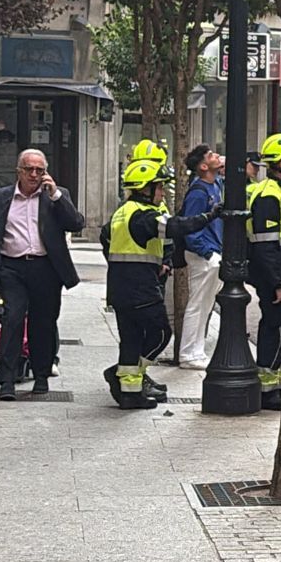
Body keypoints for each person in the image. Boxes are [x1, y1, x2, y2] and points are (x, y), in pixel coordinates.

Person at [103, 159, 216, 409]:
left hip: (120, 288)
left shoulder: (123, 211)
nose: (162, 192)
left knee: (131, 339)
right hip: (140, 288)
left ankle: (130, 393)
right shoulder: (144, 215)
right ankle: (123, 374)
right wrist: (209, 216)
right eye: (159, 187)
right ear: (146, 189)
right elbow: (176, 226)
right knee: (160, 333)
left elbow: (105, 237)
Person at [0, 148, 85, 401]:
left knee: (43, 323)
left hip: (45, 268)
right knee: (13, 319)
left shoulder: (56, 196)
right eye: (29, 169)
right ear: (19, 171)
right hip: (11, 268)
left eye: (39, 170)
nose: (34, 175)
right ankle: (7, 380)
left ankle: (41, 375)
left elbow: (76, 223)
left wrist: (56, 195)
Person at [246, 133, 281, 408]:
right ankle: (268, 390)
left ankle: (278, 386)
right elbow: (265, 247)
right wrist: (279, 282)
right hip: (273, 274)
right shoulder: (269, 196)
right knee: (273, 328)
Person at [176, 144, 225, 368]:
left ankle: (196, 350)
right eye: (211, 155)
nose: (217, 156)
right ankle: (189, 353)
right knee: (198, 304)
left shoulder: (214, 185)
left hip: (211, 252)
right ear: (204, 166)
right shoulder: (199, 192)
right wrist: (207, 253)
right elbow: (191, 228)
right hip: (204, 255)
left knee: (204, 305)